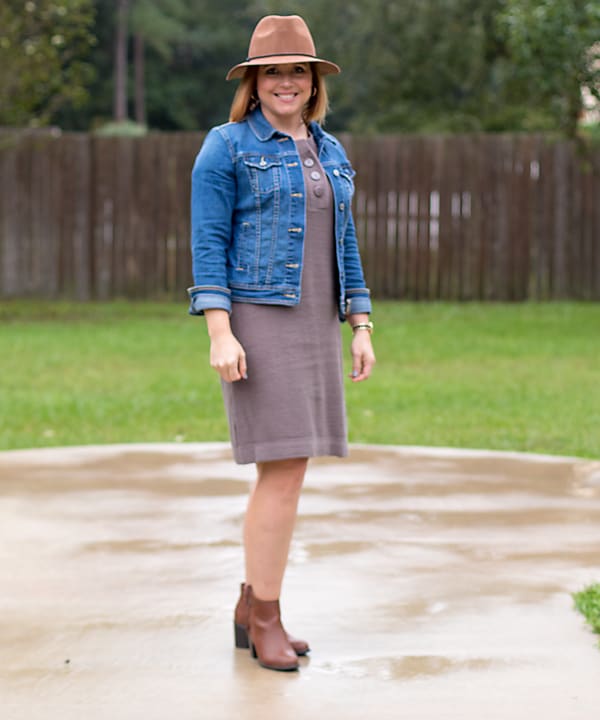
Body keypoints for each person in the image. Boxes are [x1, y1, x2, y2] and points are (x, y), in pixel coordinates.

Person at [187, 14, 375, 672]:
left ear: (314, 81)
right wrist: (219, 331)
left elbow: (345, 244)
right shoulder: (227, 147)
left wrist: (361, 323)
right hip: (260, 320)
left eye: (298, 70)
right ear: (255, 82)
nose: (286, 82)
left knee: (292, 470)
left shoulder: (332, 151)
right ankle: (264, 616)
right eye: (274, 71)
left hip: (317, 321)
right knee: (284, 470)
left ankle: (254, 608)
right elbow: (207, 246)